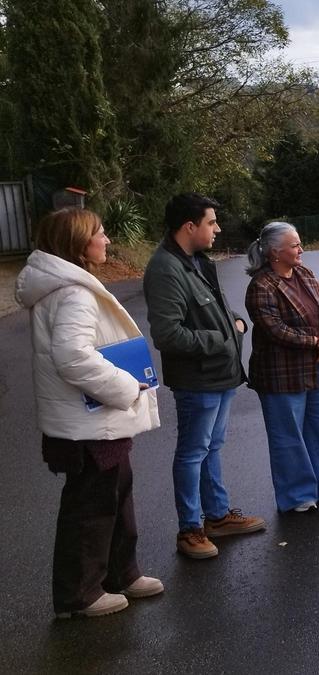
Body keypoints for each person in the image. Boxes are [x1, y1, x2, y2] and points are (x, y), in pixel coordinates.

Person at [16, 207, 163, 618]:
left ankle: (122, 574)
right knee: (91, 506)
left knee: (116, 493)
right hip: (90, 423)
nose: (108, 241)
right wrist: (125, 387)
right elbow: (72, 356)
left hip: (95, 421)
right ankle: (78, 596)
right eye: (101, 233)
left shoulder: (70, 287)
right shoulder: (74, 293)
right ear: (81, 243)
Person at [143, 193, 266, 559]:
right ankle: (190, 529)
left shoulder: (197, 261)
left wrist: (235, 325)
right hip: (197, 380)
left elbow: (215, 308)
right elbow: (167, 335)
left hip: (220, 374)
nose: (218, 228)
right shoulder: (166, 269)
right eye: (211, 222)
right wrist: (222, 338)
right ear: (189, 226)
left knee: (211, 447)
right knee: (192, 451)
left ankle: (216, 516)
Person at [243, 222, 319, 512]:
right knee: (288, 437)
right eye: (295, 245)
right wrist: (316, 343)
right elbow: (276, 330)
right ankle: (297, 496)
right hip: (280, 375)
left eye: (299, 243)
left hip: (316, 369)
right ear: (275, 252)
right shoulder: (261, 286)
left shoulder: (304, 274)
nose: (301, 249)